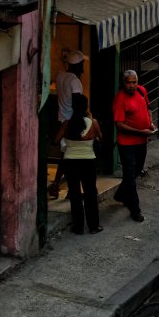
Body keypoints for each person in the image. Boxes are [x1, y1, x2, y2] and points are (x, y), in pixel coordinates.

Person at [55, 93, 103, 234]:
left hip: (71, 162)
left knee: (75, 194)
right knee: (90, 193)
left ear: (72, 107)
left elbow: (55, 141)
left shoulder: (67, 124)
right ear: (86, 107)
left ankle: (78, 227)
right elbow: (100, 138)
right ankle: (93, 226)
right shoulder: (93, 123)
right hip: (88, 162)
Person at [112, 70, 156, 222]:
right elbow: (119, 124)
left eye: (134, 82)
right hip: (127, 144)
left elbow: (148, 108)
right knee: (130, 175)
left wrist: (150, 123)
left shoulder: (141, 91)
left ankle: (120, 195)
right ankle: (135, 208)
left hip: (141, 142)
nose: (131, 85)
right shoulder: (120, 99)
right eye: (128, 82)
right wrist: (140, 131)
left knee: (137, 170)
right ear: (123, 83)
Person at [48, 50, 85, 198]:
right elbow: (78, 103)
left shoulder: (60, 76)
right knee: (73, 156)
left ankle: (58, 185)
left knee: (66, 155)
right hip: (71, 122)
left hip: (62, 118)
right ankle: (68, 187)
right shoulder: (74, 81)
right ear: (78, 65)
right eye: (82, 64)